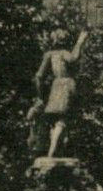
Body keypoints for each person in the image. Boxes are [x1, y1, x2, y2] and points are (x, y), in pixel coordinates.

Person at [33, 29, 89, 158]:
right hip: (67, 86)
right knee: (64, 119)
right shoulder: (64, 53)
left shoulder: (49, 55)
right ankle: (54, 149)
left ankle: (56, 149)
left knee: (55, 119)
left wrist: (40, 94)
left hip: (56, 86)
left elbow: (39, 76)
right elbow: (74, 58)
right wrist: (80, 42)